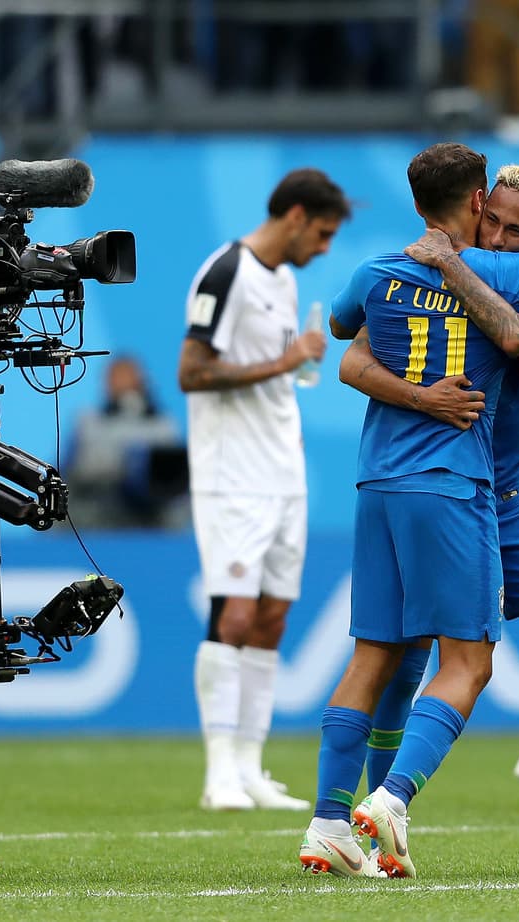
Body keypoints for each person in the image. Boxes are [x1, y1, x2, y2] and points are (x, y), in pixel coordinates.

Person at [299, 142, 519, 879]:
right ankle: (375, 814)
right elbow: (352, 358)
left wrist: (460, 262)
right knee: (423, 659)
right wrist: (424, 396)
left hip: (493, 492)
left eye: (516, 230)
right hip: (451, 484)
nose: (497, 236)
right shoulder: (473, 272)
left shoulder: (511, 282)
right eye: (491, 219)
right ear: (476, 204)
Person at [179, 167, 350, 811]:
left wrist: (292, 372)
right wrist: (287, 359)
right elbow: (192, 371)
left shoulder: (284, 279)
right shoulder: (227, 272)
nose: (325, 248)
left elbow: (280, 377)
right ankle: (218, 772)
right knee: (235, 613)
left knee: (274, 615)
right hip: (232, 474)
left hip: (283, 471)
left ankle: (250, 767)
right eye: (323, 234)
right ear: (296, 216)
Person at [65, 355, 187, 528]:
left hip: (151, 514)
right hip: (98, 508)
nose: (122, 384)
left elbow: (171, 476)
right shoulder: (88, 423)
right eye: (116, 377)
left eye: (127, 376)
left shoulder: (163, 425)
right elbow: (71, 471)